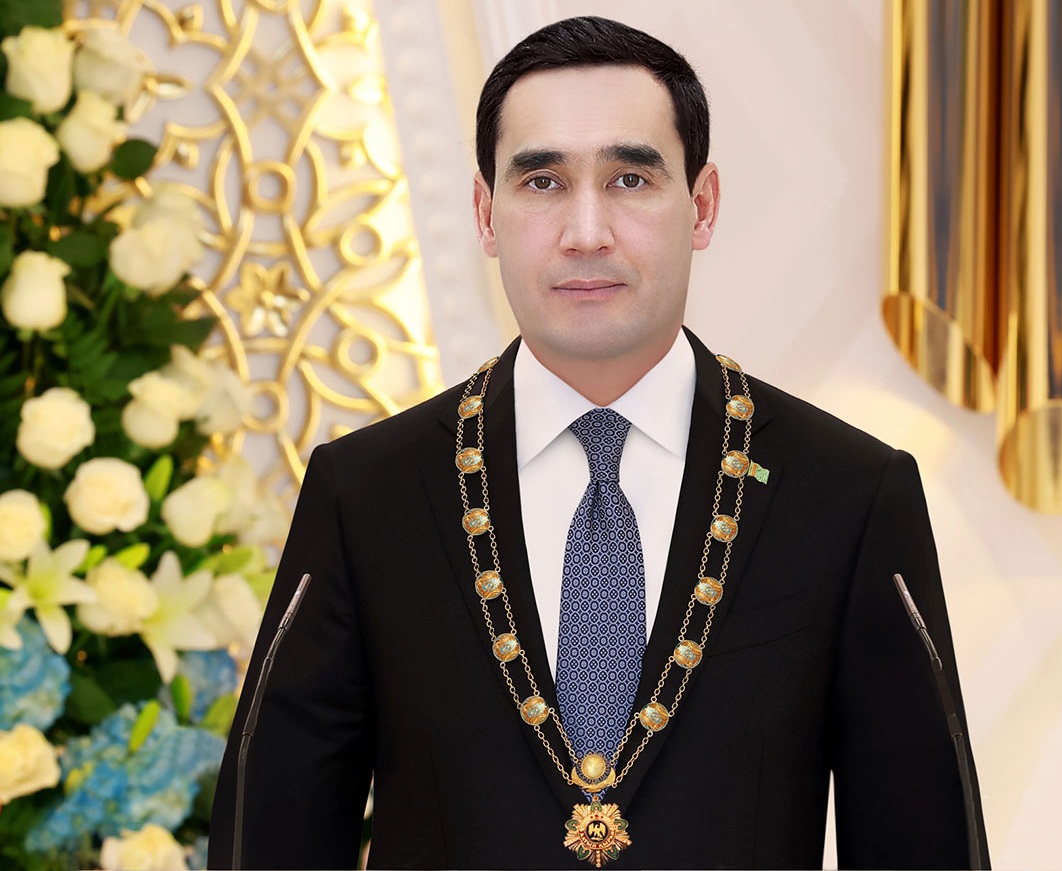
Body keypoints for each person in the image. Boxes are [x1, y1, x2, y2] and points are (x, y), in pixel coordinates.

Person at [210, 16, 988, 870]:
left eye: (630, 179)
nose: (586, 231)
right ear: (485, 213)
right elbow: (272, 839)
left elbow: (924, 844)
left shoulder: (846, 493)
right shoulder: (368, 494)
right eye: (542, 181)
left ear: (702, 205)